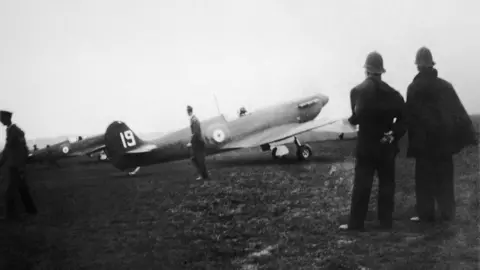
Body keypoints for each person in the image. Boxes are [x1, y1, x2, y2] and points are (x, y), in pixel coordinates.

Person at [406, 47, 477, 224]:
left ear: (418, 66)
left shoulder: (413, 88)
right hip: (444, 145)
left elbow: (410, 118)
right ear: (432, 65)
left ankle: (426, 216)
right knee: (445, 180)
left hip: (424, 146)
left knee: (424, 182)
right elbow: (458, 112)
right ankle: (447, 215)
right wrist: (470, 137)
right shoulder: (446, 86)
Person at [339, 51, 407, 231]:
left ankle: (356, 224)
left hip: (367, 146)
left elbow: (357, 116)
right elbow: (405, 119)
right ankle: (385, 222)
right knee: (386, 185)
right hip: (386, 145)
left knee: (362, 185)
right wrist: (393, 134)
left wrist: (350, 121)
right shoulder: (394, 94)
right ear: (381, 71)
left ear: (366, 70)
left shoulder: (357, 91)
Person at [0, 110, 37, 220]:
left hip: (16, 164)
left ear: (7, 118)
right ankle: (31, 210)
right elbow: (11, 149)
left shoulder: (13, 131)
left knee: (10, 191)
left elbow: (12, 149)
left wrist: (20, 165)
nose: (0, 120)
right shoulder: (13, 130)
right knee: (22, 188)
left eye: (2, 118)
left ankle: (10, 215)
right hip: (15, 164)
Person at [186, 105, 209, 180]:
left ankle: (203, 176)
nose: (187, 112)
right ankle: (203, 175)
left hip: (198, 142)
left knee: (198, 159)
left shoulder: (194, 120)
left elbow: (196, 133)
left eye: (187, 111)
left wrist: (191, 142)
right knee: (196, 159)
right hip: (197, 142)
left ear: (189, 111)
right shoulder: (193, 119)